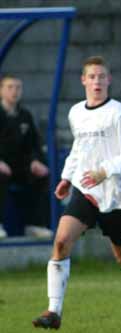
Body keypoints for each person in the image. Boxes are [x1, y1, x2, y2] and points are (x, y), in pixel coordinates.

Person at [32, 56, 121, 330]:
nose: (96, 81)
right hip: (86, 190)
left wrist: (104, 171)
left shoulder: (119, 113)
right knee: (61, 242)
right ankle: (53, 311)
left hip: (115, 193)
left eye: (101, 76)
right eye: (91, 77)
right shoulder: (76, 113)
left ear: (109, 80)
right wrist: (67, 178)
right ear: (83, 80)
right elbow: (80, 149)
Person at [0, 74, 52, 239]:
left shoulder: (25, 116)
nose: (14, 91)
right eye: (10, 87)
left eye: (18, 88)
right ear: (1, 90)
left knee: (41, 175)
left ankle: (34, 225)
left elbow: (34, 144)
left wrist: (35, 161)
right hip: (1, 166)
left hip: (19, 167)